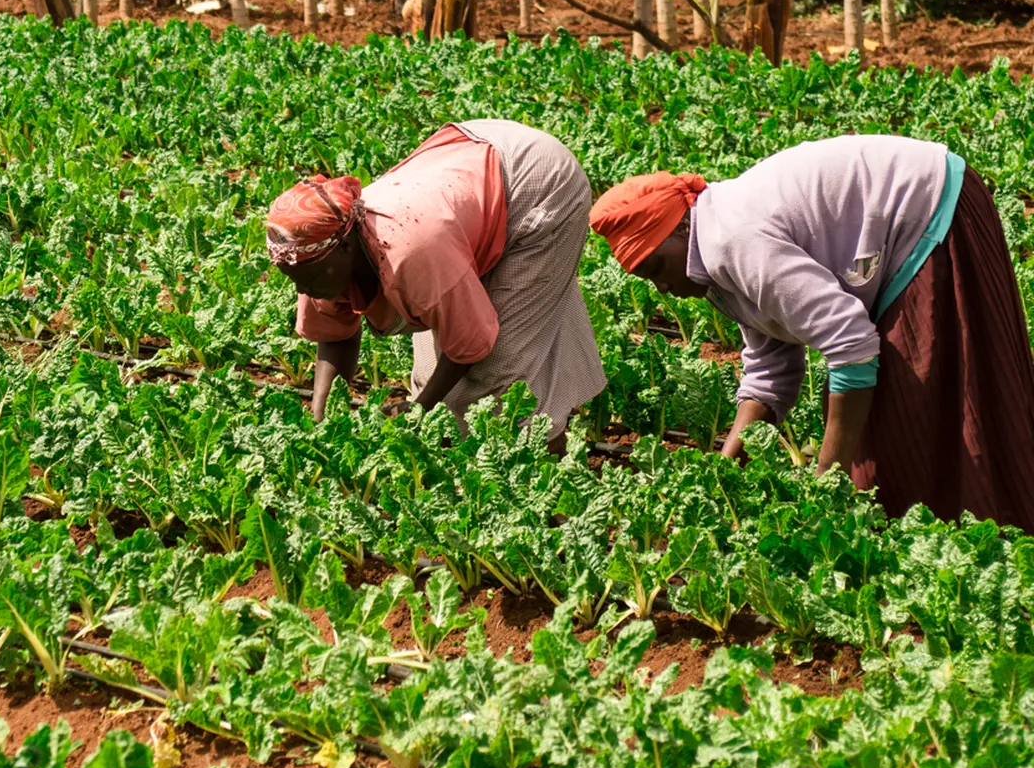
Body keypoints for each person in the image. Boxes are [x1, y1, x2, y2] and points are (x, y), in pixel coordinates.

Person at [590, 134, 1034, 531]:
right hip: (908, 216)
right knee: (885, 423)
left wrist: (828, 477)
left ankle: (983, 529)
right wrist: (723, 475)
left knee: (912, 396)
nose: (662, 287)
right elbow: (769, 373)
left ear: (680, 228)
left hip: (931, 207)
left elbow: (852, 346)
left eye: (655, 268)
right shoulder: (711, 260)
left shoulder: (731, 242)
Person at [268, 120, 606, 446]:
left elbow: (469, 344)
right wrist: (320, 420)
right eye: (297, 282)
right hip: (466, 171)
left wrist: (419, 409)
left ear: (344, 247)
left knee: (499, 369)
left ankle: (544, 449)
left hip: (537, 183)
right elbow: (334, 337)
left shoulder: (410, 251)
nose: (304, 290)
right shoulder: (314, 258)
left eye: (308, 280)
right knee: (433, 377)